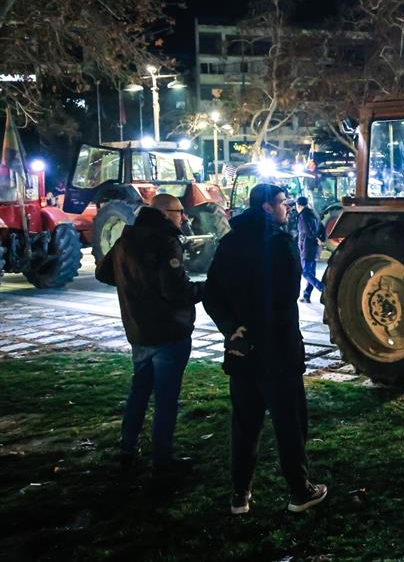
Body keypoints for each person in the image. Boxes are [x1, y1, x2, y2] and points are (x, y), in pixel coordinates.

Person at [203, 183, 327, 515]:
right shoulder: (280, 243)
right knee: (289, 424)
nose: (287, 208)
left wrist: (232, 329)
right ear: (267, 208)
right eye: (283, 203)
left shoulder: (230, 242)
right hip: (278, 353)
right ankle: (300, 491)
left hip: (242, 351)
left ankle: (240, 495)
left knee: (245, 425)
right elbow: (284, 299)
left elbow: (212, 294)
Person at [95, 194, 203, 476]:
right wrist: (204, 289)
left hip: (139, 331)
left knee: (139, 392)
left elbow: (103, 273)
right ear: (165, 213)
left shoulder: (126, 237)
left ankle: (127, 449)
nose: (184, 217)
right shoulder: (165, 241)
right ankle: (162, 460)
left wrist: (134, 283)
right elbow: (176, 291)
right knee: (166, 400)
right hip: (169, 332)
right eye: (180, 211)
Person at [295, 196, 325, 303]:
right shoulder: (314, 213)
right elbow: (322, 227)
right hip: (315, 248)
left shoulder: (303, 216)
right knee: (311, 272)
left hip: (306, 247)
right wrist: (321, 239)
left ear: (299, 205)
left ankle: (322, 288)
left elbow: (307, 232)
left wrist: (315, 238)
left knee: (305, 272)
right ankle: (306, 295)